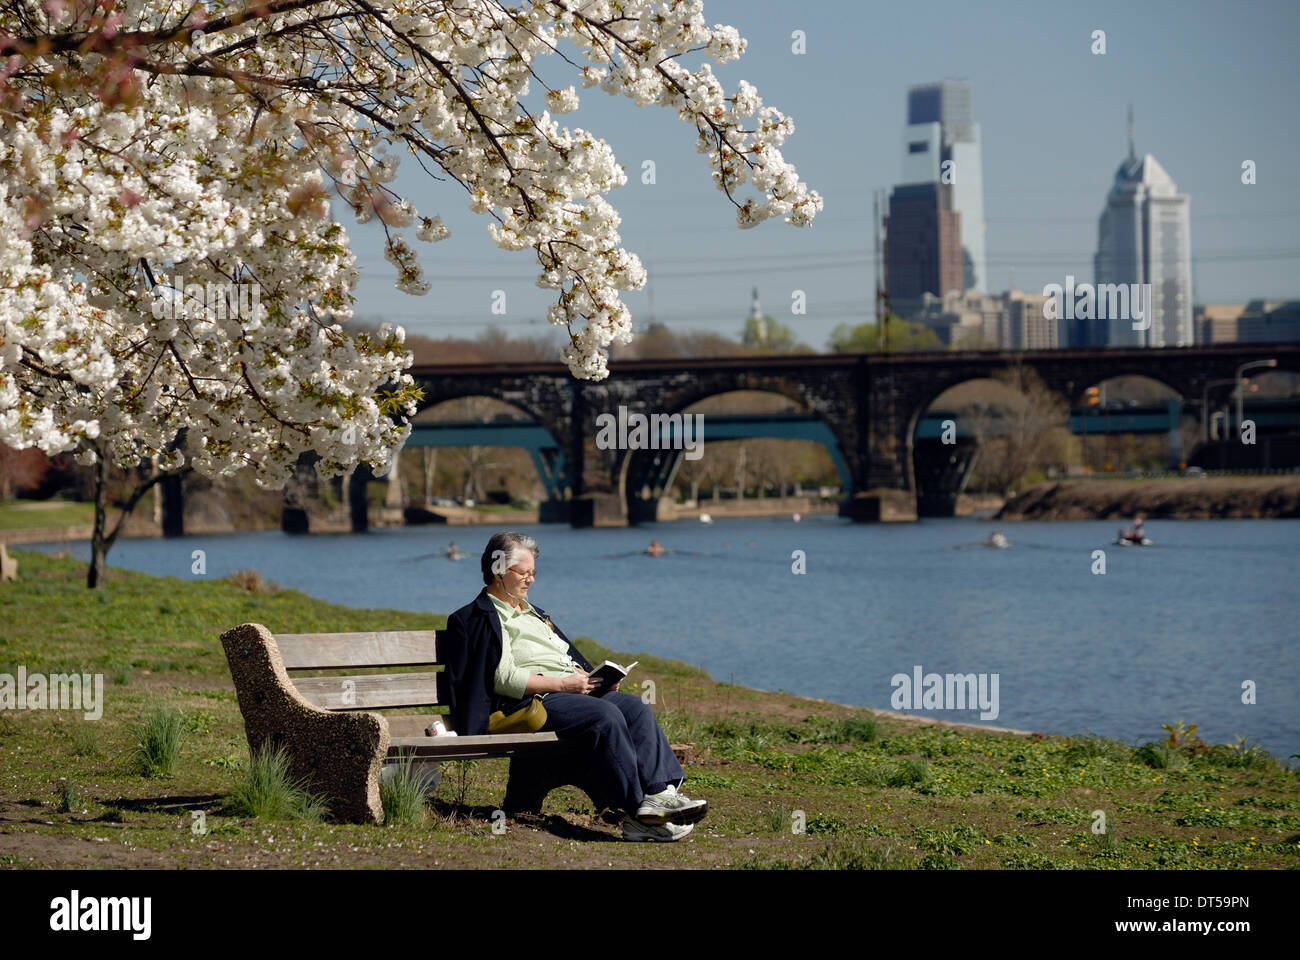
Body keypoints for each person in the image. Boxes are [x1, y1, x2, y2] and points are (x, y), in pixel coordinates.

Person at [440, 531, 707, 842]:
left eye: (533, 572)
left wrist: (597, 678)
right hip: (532, 702)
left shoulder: (534, 613)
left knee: (635, 707)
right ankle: (638, 814)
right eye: (524, 573)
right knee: (604, 716)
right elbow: (503, 678)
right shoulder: (477, 617)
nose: (531, 580)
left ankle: (661, 795)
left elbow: (566, 657)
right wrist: (564, 685)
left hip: (570, 692)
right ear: (499, 570)